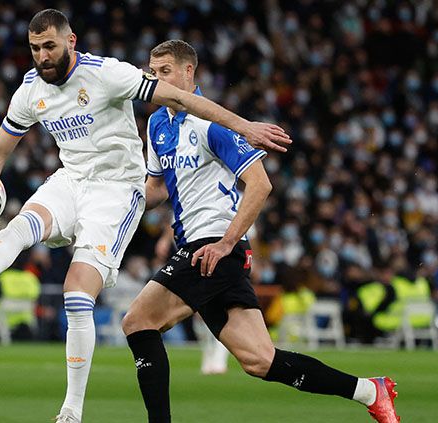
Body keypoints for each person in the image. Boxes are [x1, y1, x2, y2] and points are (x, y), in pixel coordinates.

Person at [0, 10, 292, 423]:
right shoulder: (30, 91)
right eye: (35, 48)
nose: (42, 56)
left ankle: (71, 410)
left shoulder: (107, 74)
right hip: (71, 179)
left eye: (49, 46)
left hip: (117, 189)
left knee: (76, 292)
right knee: (22, 223)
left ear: (70, 41)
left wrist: (243, 125)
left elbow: (180, 98)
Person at [120, 40, 400, 423]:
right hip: (202, 249)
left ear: (189, 73)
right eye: (152, 72)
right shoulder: (156, 124)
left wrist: (225, 243)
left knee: (138, 321)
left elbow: (260, 184)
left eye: (165, 71)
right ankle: (370, 391)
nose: (156, 79)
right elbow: (156, 190)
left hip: (212, 247)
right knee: (259, 360)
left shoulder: (212, 123)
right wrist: (119, 194)